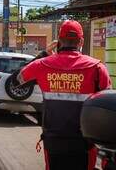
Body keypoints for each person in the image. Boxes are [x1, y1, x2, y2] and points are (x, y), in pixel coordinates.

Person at [16, 20, 112, 170]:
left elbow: (16, 81)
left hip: (53, 142)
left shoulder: (41, 65)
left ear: (59, 41)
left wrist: (43, 54)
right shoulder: (97, 68)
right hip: (85, 144)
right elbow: (106, 106)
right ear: (81, 41)